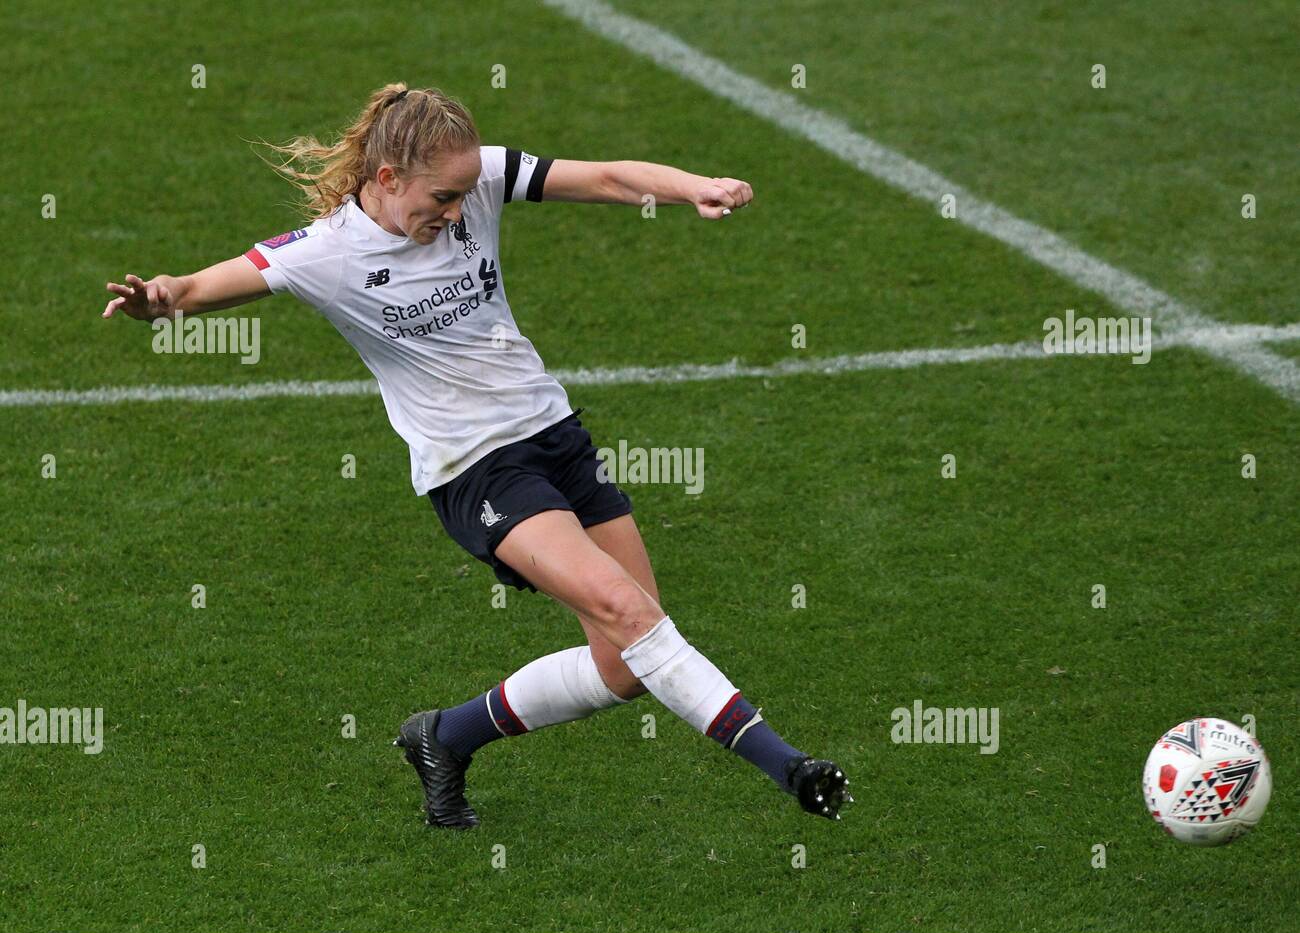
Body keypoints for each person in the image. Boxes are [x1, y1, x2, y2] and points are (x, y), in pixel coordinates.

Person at [102, 83, 852, 828]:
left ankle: (445, 736)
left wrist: (696, 190)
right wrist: (159, 296)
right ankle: (789, 766)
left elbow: (606, 177)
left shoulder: (477, 173)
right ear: (388, 178)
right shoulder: (325, 255)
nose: (459, 210)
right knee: (626, 609)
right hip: (476, 471)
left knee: (625, 665)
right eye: (444, 196)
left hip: (555, 434)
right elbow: (203, 286)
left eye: (465, 193)